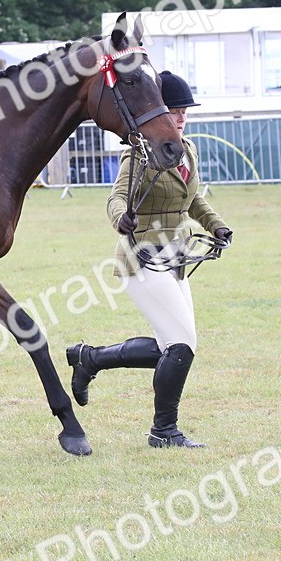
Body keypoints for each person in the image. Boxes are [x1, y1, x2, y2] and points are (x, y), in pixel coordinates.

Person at [65, 71, 233, 450]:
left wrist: (217, 225)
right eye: (174, 111)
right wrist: (119, 217)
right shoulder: (140, 153)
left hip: (175, 259)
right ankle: (164, 431)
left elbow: (193, 199)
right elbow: (116, 197)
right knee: (182, 345)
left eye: (184, 111)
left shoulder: (186, 149)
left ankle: (89, 359)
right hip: (141, 258)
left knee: (168, 346)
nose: (180, 118)